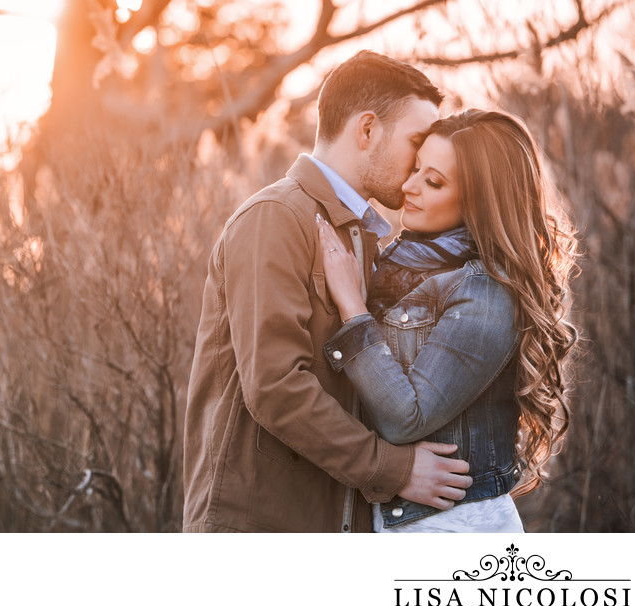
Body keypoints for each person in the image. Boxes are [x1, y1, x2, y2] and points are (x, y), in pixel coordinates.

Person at [183, 51, 473, 533]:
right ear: (366, 130)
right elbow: (276, 388)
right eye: (416, 142)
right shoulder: (276, 217)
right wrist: (395, 470)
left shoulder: (363, 238)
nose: (421, 163)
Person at [318, 109, 579, 532]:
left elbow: (406, 418)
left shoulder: (487, 292)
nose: (408, 186)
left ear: (478, 202)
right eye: (416, 168)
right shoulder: (399, 267)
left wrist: (352, 307)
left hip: (456, 530)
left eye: (433, 181)